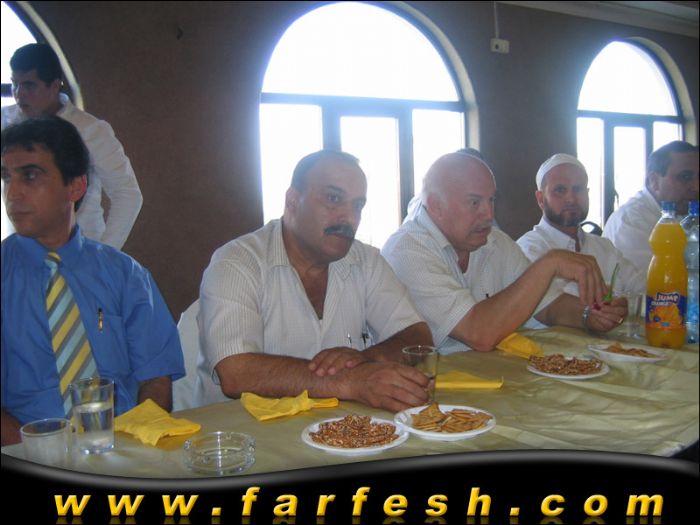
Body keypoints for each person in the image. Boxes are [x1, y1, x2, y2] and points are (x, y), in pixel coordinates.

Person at [196, 150, 433, 412]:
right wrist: (350, 381)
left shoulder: (366, 260)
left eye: (357, 205)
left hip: (341, 426)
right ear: (292, 201)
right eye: (333, 199)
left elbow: (418, 336)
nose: (349, 218)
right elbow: (236, 373)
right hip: (243, 430)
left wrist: (364, 361)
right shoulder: (237, 263)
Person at [1, 117, 184, 445]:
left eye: (30, 175)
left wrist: (134, 445)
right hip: (25, 448)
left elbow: (156, 379)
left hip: (122, 446)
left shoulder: (125, 275)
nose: (12, 193)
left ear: (75, 187)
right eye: (6, 177)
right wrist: (41, 455)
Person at [382, 152, 627, 354]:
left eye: (491, 200)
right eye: (475, 202)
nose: (489, 214)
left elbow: (550, 306)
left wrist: (590, 316)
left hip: (491, 379)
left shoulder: (494, 242)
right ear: (436, 205)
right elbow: (479, 334)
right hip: (434, 391)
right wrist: (550, 263)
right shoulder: (407, 251)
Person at [1, 43, 142, 250]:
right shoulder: (5, 120)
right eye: (15, 84)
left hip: (81, 247)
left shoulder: (91, 130)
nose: (19, 94)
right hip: (19, 252)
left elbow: (127, 193)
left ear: (54, 86)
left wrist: (104, 253)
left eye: (29, 85)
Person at [517, 153, 644, 297]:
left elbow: (644, 288)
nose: (571, 199)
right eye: (560, 190)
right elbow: (549, 306)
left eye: (578, 189)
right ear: (541, 199)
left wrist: (625, 304)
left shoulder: (605, 248)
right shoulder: (529, 251)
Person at [603, 141, 699, 274]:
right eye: (685, 177)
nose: (696, 187)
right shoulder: (631, 222)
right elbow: (660, 281)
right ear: (654, 180)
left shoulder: (685, 211)